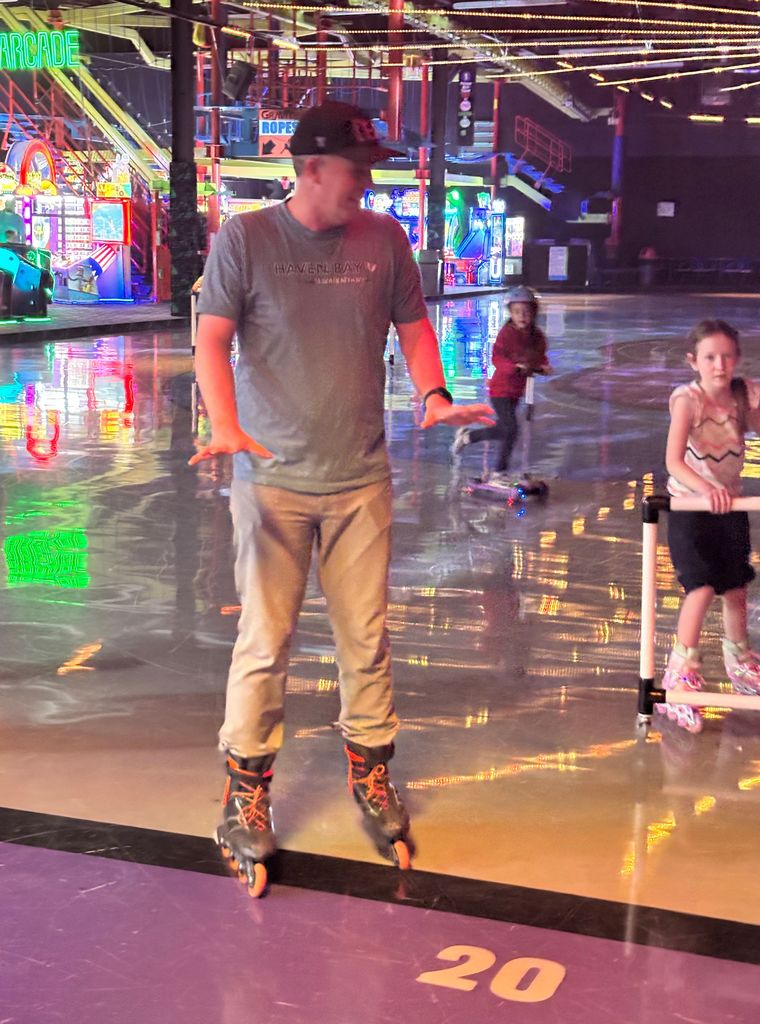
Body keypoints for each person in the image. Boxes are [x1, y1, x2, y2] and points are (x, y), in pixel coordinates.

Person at [189, 100, 493, 894]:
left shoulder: (384, 239)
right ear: (312, 167)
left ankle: (371, 770)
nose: (369, 180)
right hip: (273, 481)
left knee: (368, 639)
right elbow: (212, 338)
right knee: (266, 640)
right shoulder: (246, 239)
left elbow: (415, 325)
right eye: (358, 167)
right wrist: (224, 422)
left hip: (361, 477)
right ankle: (245, 789)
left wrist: (432, 392)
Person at [660, 318, 760, 733]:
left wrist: (755, 410)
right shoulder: (688, 401)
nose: (719, 365)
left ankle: (740, 660)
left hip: (731, 504)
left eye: (726, 356)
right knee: (702, 585)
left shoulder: (741, 399)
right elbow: (673, 461)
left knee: (736, 585)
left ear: (737, 360)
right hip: (691, 507)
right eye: (709, 357)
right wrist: (705, 489)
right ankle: (680, 674)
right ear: (694, 362)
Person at [452, 285, 551, 482]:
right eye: (516, 312)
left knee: (507, 430)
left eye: (526, 312)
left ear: (534, 313)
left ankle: (468, 437)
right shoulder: (507, 334)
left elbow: (540, 356)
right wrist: (514, 367)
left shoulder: (537, 337)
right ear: (511, 314)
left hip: (517, 391)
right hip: (500, 390)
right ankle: (499, 470)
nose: (521, 316)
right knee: (511, 429)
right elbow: (497, 358)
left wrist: (545, 366)